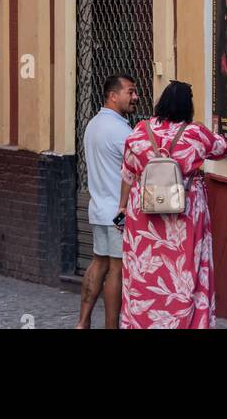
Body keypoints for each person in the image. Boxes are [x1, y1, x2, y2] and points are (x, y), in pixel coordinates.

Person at [116, 80, 227, 329]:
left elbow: (127, 174)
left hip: (144, 214)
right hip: (185, 214)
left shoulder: (139, 131)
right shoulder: (195, 133)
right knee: (185, 271)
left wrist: (121, 208)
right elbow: (221, 148)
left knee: (143, 275)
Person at [76, 74, 138, 330]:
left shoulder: (93, 125)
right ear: (113, 96)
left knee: (98, 262)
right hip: (118, 213)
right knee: (117, 269)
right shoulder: (121, 131)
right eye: (130, 92)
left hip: (99, 208)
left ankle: (82, 322)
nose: (135, 97)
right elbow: (137, 167)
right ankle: (111, 326)